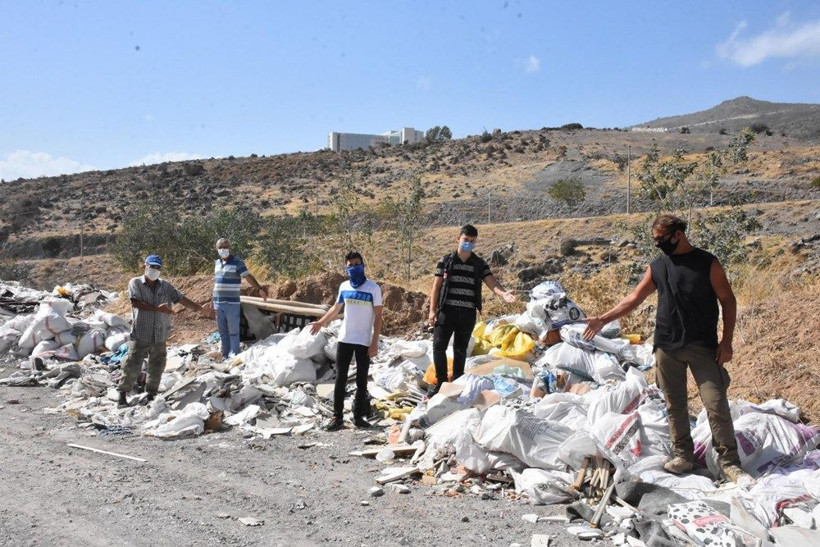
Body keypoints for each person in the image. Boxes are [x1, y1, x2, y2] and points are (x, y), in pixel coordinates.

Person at [582, 214, 749, 483]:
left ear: (678, 235)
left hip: (702, 346)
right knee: (675, 404)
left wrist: (726, 341)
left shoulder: (707, 262)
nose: (658, 245)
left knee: (715, 404)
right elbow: (635, 298)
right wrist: (603, 319)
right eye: (655, 240)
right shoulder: (658, 266)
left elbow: (728, 300)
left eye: (661, 239)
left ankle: (730, 462)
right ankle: (684, 456)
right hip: (667, 346)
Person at [427, 224, 517, 396]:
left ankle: (458, 382)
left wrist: (504, 293)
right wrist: (432, 311)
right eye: (465, 240)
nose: (468, 243)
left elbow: (491, 282)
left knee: (460, 350)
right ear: (458, 239)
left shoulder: (478, 263)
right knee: (439, 346)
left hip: (467, 314)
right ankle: (440, 382)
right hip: (446, 311)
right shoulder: (446, 261)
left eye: (472, 241)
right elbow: (436, 287)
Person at [118, 254, 213, 407]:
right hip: (141, 332)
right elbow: (136, 303)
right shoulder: (135, 282)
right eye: (152, 267)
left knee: (157, 365)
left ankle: (151, 394)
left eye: (157, 268)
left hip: (160, 333)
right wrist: (158, 309)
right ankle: (122, 396)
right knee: (132, 364)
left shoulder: (165, 286)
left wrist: (201, 309)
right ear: (145, 267)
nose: (154, 270)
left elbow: (181, 298)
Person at [310, 252, 383, 431]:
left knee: (361, 381)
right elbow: (336, 307)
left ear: (363, 265)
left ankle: (358, 417)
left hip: (364, 341)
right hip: (345, 338)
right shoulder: (344, 287)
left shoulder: (373, 288)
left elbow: (379, 317)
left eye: (357, 263)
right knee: (340, 379)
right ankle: (337, 417)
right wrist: (321, 322)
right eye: (350, 265)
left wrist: (374, 342)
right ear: (346, 267)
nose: (353, 267)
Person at [213, 238, 268, 360]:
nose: (223, 249)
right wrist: (213, 301)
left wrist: (259, 289)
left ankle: (234, 355)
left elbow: (247, 276)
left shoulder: (238, 262)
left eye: (225, 247)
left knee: (233, 331)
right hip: (218, 303)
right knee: (222, 332)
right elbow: (217, 283)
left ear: (230, 248)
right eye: (220, 247)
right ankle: (225, 355)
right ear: (217, 249)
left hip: (231, 303)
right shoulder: (217, 263)